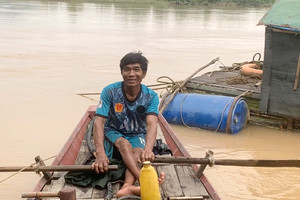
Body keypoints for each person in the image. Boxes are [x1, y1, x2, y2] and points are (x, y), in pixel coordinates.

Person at [91, 51, 164, 197]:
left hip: (138, 132)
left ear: (143, 73)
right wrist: (100, 153)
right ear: (122, 72)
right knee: (124, 145)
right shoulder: (109, 91)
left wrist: (148, 150)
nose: (131, 74)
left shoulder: (151, 96)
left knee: (138, 153)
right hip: (113, 131)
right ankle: (145, 182)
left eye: (136, 69)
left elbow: (151, 124)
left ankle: (127, 186)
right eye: (127, 69)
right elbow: (99, 122)